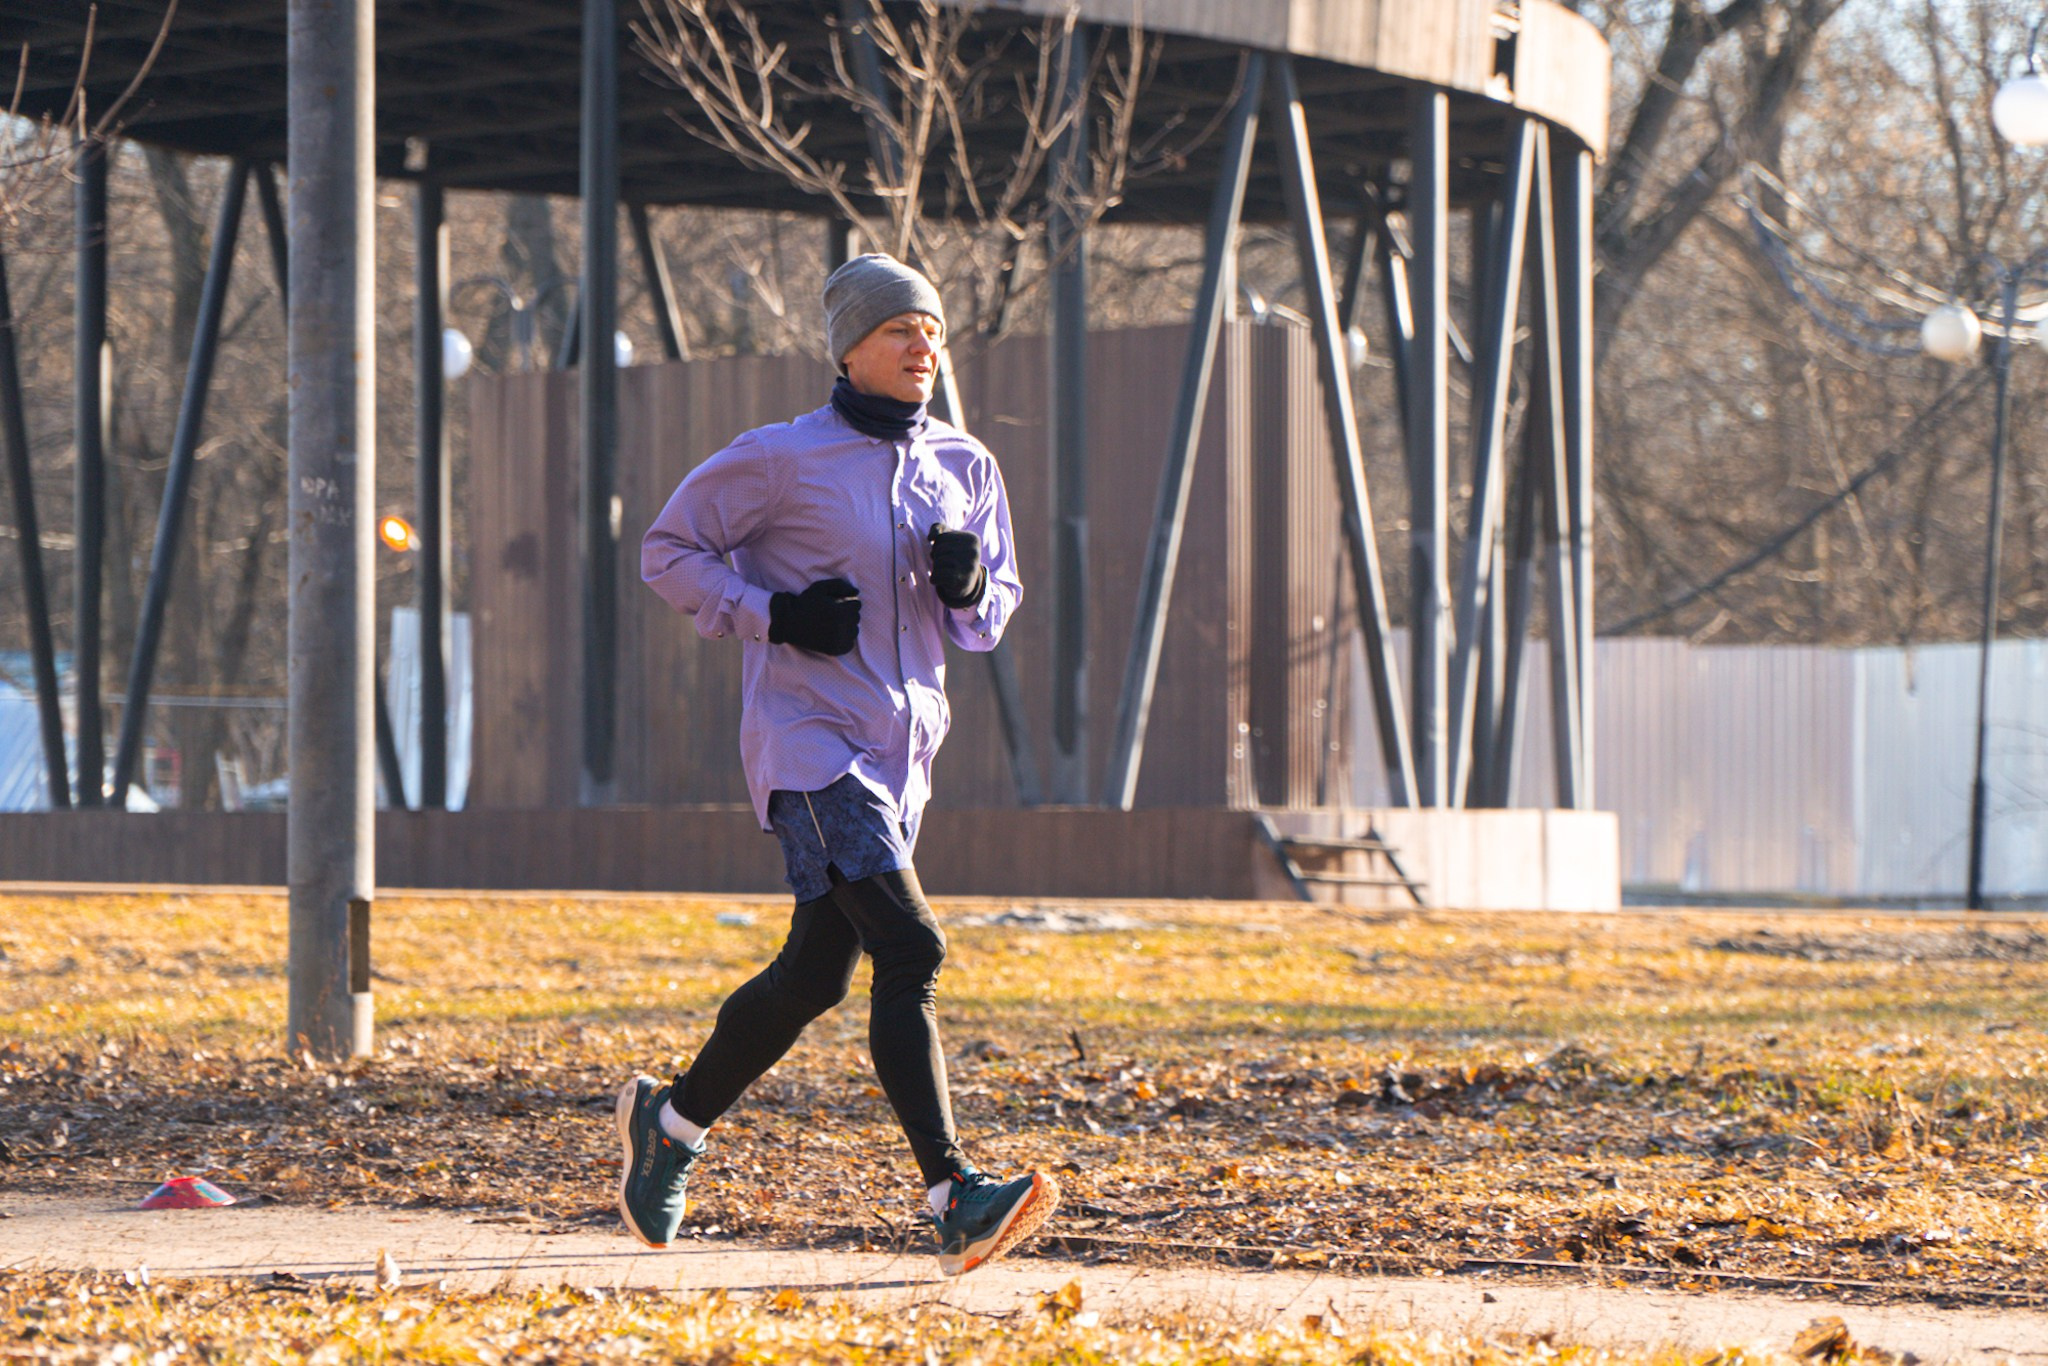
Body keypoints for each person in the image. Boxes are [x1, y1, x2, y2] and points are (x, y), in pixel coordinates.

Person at [618, 252, 1056, 1276]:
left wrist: (968, 581)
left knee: (814, 974)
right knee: (911, 949)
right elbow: (668, 550)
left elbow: (990, 619)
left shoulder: (966, 463)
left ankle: (667, 1129)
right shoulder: (780, 458)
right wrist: (773, 614)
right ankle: (953, 1197)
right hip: (809, 745)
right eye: (901, 330)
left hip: (901, 755)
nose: (922, 347)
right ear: (850, 347)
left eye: (933, 331)